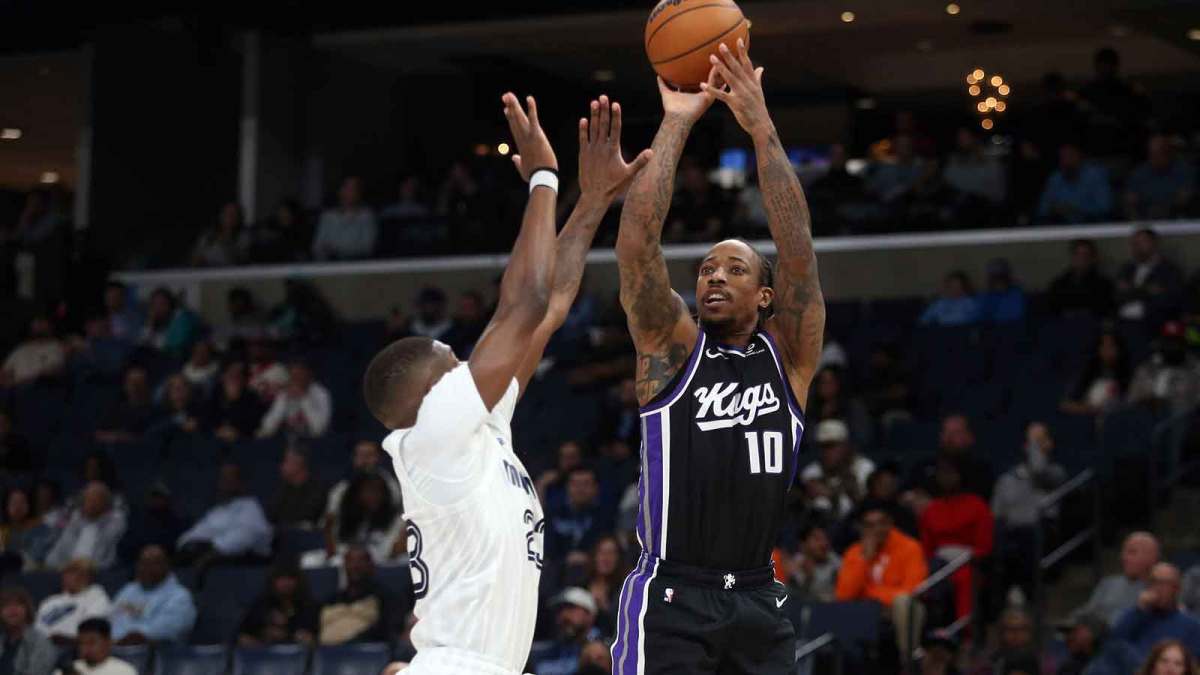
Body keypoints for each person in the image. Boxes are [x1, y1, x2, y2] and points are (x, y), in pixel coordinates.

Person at [362, 92, 650, 675]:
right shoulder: (431, 437)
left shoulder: (475, 432)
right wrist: (544, 177)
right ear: (431, 391)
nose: (466, 360)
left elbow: (546, 311)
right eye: (452, 359)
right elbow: (523, 305)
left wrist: (591, 202)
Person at [609, 40, 824, 674]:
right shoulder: (672, 349)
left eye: (734, 268)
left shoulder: (788, 356)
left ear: (765, 294)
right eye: (705, 268)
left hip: (758, 596)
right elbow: (637, 249)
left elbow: (798, 249)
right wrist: (676, 122)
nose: (714, 277)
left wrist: (762, 129)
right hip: (672, 595)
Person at [835, 500, 928, 659]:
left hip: (899, 609)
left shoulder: (909, 547)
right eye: (870, 525)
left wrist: (881, 600)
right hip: (867, 610)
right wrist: (865, 559)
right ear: (862, 528)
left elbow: (913, 589)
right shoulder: (855, 552)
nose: (876, 530)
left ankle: (907, 661)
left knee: (903, 602)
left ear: (890, 524)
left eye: (881, 524)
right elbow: (844, 595)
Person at [919, 456, 993, 619]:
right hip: (937, 563)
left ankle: (965, 634)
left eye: (950, 473)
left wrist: (967, 558)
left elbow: (984, 545)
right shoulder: (931, 509)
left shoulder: (977, 505)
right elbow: (926, 547)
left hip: (967, 562)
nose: (946, 478)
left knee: (965, 579)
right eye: (941, 473)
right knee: (921, 577)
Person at [176, 463, 273, 567]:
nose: (226, 482)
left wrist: (214, 550)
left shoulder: (250, 506)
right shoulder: (216, 512)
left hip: (242, 566)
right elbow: (190, 536)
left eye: (230, 478)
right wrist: (187, 546)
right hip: (210, 562)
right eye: (223, 478)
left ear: (240, 482)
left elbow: (245, 536)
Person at [1111, 563, 1200, 663]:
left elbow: (1192, 663)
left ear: (1176, 589)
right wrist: (1139, 609)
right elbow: (1115, 641)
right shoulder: (1136, 616)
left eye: (1163, 583)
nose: (1157, 588)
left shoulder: (1192, 625)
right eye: (1153, 582)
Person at [109, 546, 196, 645]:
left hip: (159, 654)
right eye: (143, 563)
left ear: (166, 565)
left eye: (153, 563)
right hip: (115, 649)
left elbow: (165, 630)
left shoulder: (179, 596)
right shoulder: (129, 590)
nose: (146, 568)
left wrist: (128, 638)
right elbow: (111, 620)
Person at [1069, 531, 1160, 626]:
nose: (1124, 557)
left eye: (1132, 552)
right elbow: (1087, 612)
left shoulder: (1160, 589)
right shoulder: (1107, 584)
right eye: (1123, 552)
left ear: (1151, 557)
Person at [992, 422, 1068, 529]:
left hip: (1045, 536)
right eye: (1033, 441)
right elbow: (996, 516)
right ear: (1024, 445)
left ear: (1050, 443)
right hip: (1013, 536)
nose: (1036, 445)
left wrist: (1033, 444)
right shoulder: (1006, 479)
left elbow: (1039, 470)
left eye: (1041, 440)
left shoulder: (1057, 472)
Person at [317, 545, 398, 645]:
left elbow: (388, 631)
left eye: (361, 561)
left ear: (371, 566)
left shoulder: (385, 597)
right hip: (326, 654)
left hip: (366, 654)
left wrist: (349, 642)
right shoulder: (331, 599)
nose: (355, 566)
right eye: (350, 561)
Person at [319, 473, 404, 566]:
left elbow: (393, 551)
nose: (374, 496)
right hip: (348, 561)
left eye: (378, 491)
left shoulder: (396, 520)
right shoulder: (348, 516)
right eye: (368, 491)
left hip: (382, 564)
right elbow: (335, 551)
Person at [800, 419, 875, 521]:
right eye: (822, 447)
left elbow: (870, 505)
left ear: (846, 446)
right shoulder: (811, 471)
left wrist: (833, 493)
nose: (826, 452)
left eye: (832, 446)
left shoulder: (865, 467)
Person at [45, 482, 126, 571]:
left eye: (95, 500)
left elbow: (107, 558)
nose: (90, 504)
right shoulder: (75, 522)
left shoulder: (114, 523)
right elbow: (57, 552)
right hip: (66, 570)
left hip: (95, 572)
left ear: (105, 504)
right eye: (87, 500)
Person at [237, 560, 318, 647]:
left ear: (298, 581)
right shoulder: (262, 603)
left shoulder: (307, 605)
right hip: (263, 655)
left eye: (290, 578)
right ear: (273, 581)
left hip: (296, 654)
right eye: (281, 578)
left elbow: (313, 637)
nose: (286, 583)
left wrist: (289, 633)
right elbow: (241, 634)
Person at [1116, 228, 1184, 328]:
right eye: (1134, 243)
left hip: (1154, 321)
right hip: (1124, 319)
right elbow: (1118, 295)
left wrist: (1133, 291)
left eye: (1142, 242)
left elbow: (1171, 300)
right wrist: (1147, 290)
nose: (1137, 246)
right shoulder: (1126, 269)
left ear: (1155, 243)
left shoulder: (1169, 270)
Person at [544, 465, 614, 562]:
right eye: (575, 484)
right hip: (556, 570)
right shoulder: (553, 513)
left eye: (586, 484)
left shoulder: (606, 516)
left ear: (596, 488)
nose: (580, 489)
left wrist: (588, 558)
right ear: (567, 487)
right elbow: (546, 549)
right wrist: (565, 559)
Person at [1128, 321, 1200, 415]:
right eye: (1168, 341)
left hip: (1182, 422)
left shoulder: (1196, 369)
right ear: (1161, 342)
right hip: (1145, 422)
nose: (1172, 346)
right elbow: (1131, 401)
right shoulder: (1146, 368)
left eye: (1176, 342)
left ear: (1184, 343)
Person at [528, 588, 604, 675]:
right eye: (559, 610)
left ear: (590, 615)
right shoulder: (563, 644)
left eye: (571, 608)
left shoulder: (600, 646)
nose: (564, 615)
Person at [34, 559, 111, 645]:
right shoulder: (50, 601)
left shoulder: (97, 598)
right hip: (39, 646)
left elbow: (90, 633)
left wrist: (66, 639)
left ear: (88, 578)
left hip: (70, 648)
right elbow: (36, 628)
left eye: (81, 574)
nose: (75, 577)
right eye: (69, 572)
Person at [324, 440, 401, 523]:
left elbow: (397, 510)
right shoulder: (343, 486)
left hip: (383, 529)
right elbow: (331, 515)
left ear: (378, 458)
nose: (364, 460)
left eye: (369, 455)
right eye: (360, 456)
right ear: (354, 458)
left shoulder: (389, 483)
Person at [1036, 143, 1113, 224]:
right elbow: (1042, 209)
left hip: (1094, 226)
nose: (1067, 161)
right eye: (1063, 158)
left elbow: (1105, 207)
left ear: (1080, 157)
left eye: (1070, 156)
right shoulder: (1055, 178)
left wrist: (1075, 209)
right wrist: (1054, 209)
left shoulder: (1095, 175)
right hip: (1063, 227)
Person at [1126, 135, 1196, 221]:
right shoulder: (1139, 173)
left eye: (1159, 154)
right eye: (1152, 154)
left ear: (1169, 154)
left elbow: (1184, 198)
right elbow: (1131, 200)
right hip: (1145, 219)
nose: (1154, 158)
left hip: (1176, 219)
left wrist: (1165, 207)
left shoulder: (1183, 171)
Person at [1061, 331, 1132, 416]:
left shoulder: (1127, 376)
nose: (1106, 350)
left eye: (1111, 346)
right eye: (1103, 346)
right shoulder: (1086, 372)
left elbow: (1127, 405)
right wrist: (1086, 409)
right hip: (1083, 419)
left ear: (1119, 349)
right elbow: (1066, 403)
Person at [257, 361, 332, 439]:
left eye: (299, 375)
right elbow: (268, 426)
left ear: (309, 375)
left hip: (314, 442)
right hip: (287, 440)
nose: (296, 379)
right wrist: (283, 402)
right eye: (293, 375)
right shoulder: (284, 394)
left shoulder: (321, 394)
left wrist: (303, 398)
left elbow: (319, 430)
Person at [116, 482, 184, 566]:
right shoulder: (136, 519)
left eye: (160, 497)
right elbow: (124, 546)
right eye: (154, 496)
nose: (157, 500)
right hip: (135, 563)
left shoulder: (177, 522)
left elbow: (174, 548)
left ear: (167, 499)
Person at [312, 176, 377, 261]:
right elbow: (317, 246)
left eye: (353, 189)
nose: (349, 192)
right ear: (340, 191)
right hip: (328, 265)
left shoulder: (367, 216)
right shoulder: (327, 216)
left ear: (359, 193)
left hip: (356, 265)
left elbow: (367, 247)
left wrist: (336, 248)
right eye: (346, 188)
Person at [1048, 239, 1116, 319]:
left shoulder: (1104, 285)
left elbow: (1105, 311)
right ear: (1072, 257)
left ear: (1093, 258)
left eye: (1085, 255)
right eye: (1078, 254)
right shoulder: (1058, 284)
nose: (1081, 259)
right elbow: (1052, 310)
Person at [203, 362, 267, 443]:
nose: (234, 379)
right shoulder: (213, 396)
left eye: (238, 376)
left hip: (242, 444)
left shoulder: (253, 399)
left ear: (244, 380)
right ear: (223, 377)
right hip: (213, 442)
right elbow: (205, 421)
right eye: (231, 375)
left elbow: (254, 426)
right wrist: (216, 431)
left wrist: (238, 433)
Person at [0, 587, 57, 675]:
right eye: (6, 606)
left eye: (18, 604)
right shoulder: (2, 639)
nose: (12, 610)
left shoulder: (40, 642)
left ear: (27, 609)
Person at [269, 447, 329, 528]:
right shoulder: (284, 488)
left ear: (298, 463)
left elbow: (308, 516)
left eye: (286, 461)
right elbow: (273, 515)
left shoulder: (317, 488)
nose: (281, 466)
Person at [94, 366, 156, 443]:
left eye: (139, 383)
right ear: (125, 386)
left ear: (147, 386)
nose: (135, 388)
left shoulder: (154, 412)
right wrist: (117, 437)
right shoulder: (117, 409)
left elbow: (148, 439)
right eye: (132, 383)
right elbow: (99, 434)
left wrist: (120, 437)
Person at [0, 315, 65, 388]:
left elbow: (54, 371)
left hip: (40, 389)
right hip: (15, 391)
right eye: (36, 323)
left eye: (41, 322)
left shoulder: (56, 346)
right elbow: (4, 373)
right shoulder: (20, 349)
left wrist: (24, 382)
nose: (38, 325)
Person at [0, 486, 53, 570]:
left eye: (22, 502)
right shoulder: (3, 530)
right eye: (14, 502)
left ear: (29, 505)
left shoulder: (41, 529)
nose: (18, 507)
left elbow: (35, 559)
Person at [136, 288, 199, 359]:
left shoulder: (181, 319)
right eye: (154, 304)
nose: (158, 308)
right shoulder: (150, 320)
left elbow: (171, 345)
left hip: (174, 359)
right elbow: (141, 342)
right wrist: (150, 323)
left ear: (170, 305)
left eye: (162, 304)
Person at [585, 535, 628, 637]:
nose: (606, 558)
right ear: (594, 556)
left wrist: (606, 608)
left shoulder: (625, 589)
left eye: (611, 553)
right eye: (601, 552)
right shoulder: (582, 585)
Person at [789, 523, 840, 603]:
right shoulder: (796, 564)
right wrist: (808, 578)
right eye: (817, 539)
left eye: (825, 539)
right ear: (803, 544)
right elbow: (797, 598)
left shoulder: (833, 560)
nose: (824, 544)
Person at [67, 618, 137, 675]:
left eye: (91, 643)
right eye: (81, 643)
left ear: (108, 642)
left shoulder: (124, 671)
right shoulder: (71, 669)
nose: (85, 648)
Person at [190, 202, 248, 267]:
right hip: (206, 273)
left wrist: (227, 239)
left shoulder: (242, 237)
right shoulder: (208, 236)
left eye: (233, 214)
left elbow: (240, 260)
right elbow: (195, 258)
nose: (229, 217)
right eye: (226, 213)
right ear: (221, 215)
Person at [978, 258, 1027, 324]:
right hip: (992, 329)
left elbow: (1016, 315)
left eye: (1001, 276)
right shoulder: (985, 296)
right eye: (995, 277)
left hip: (1014, 328)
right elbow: (982, 316)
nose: (998, 281)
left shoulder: (1016, 293)